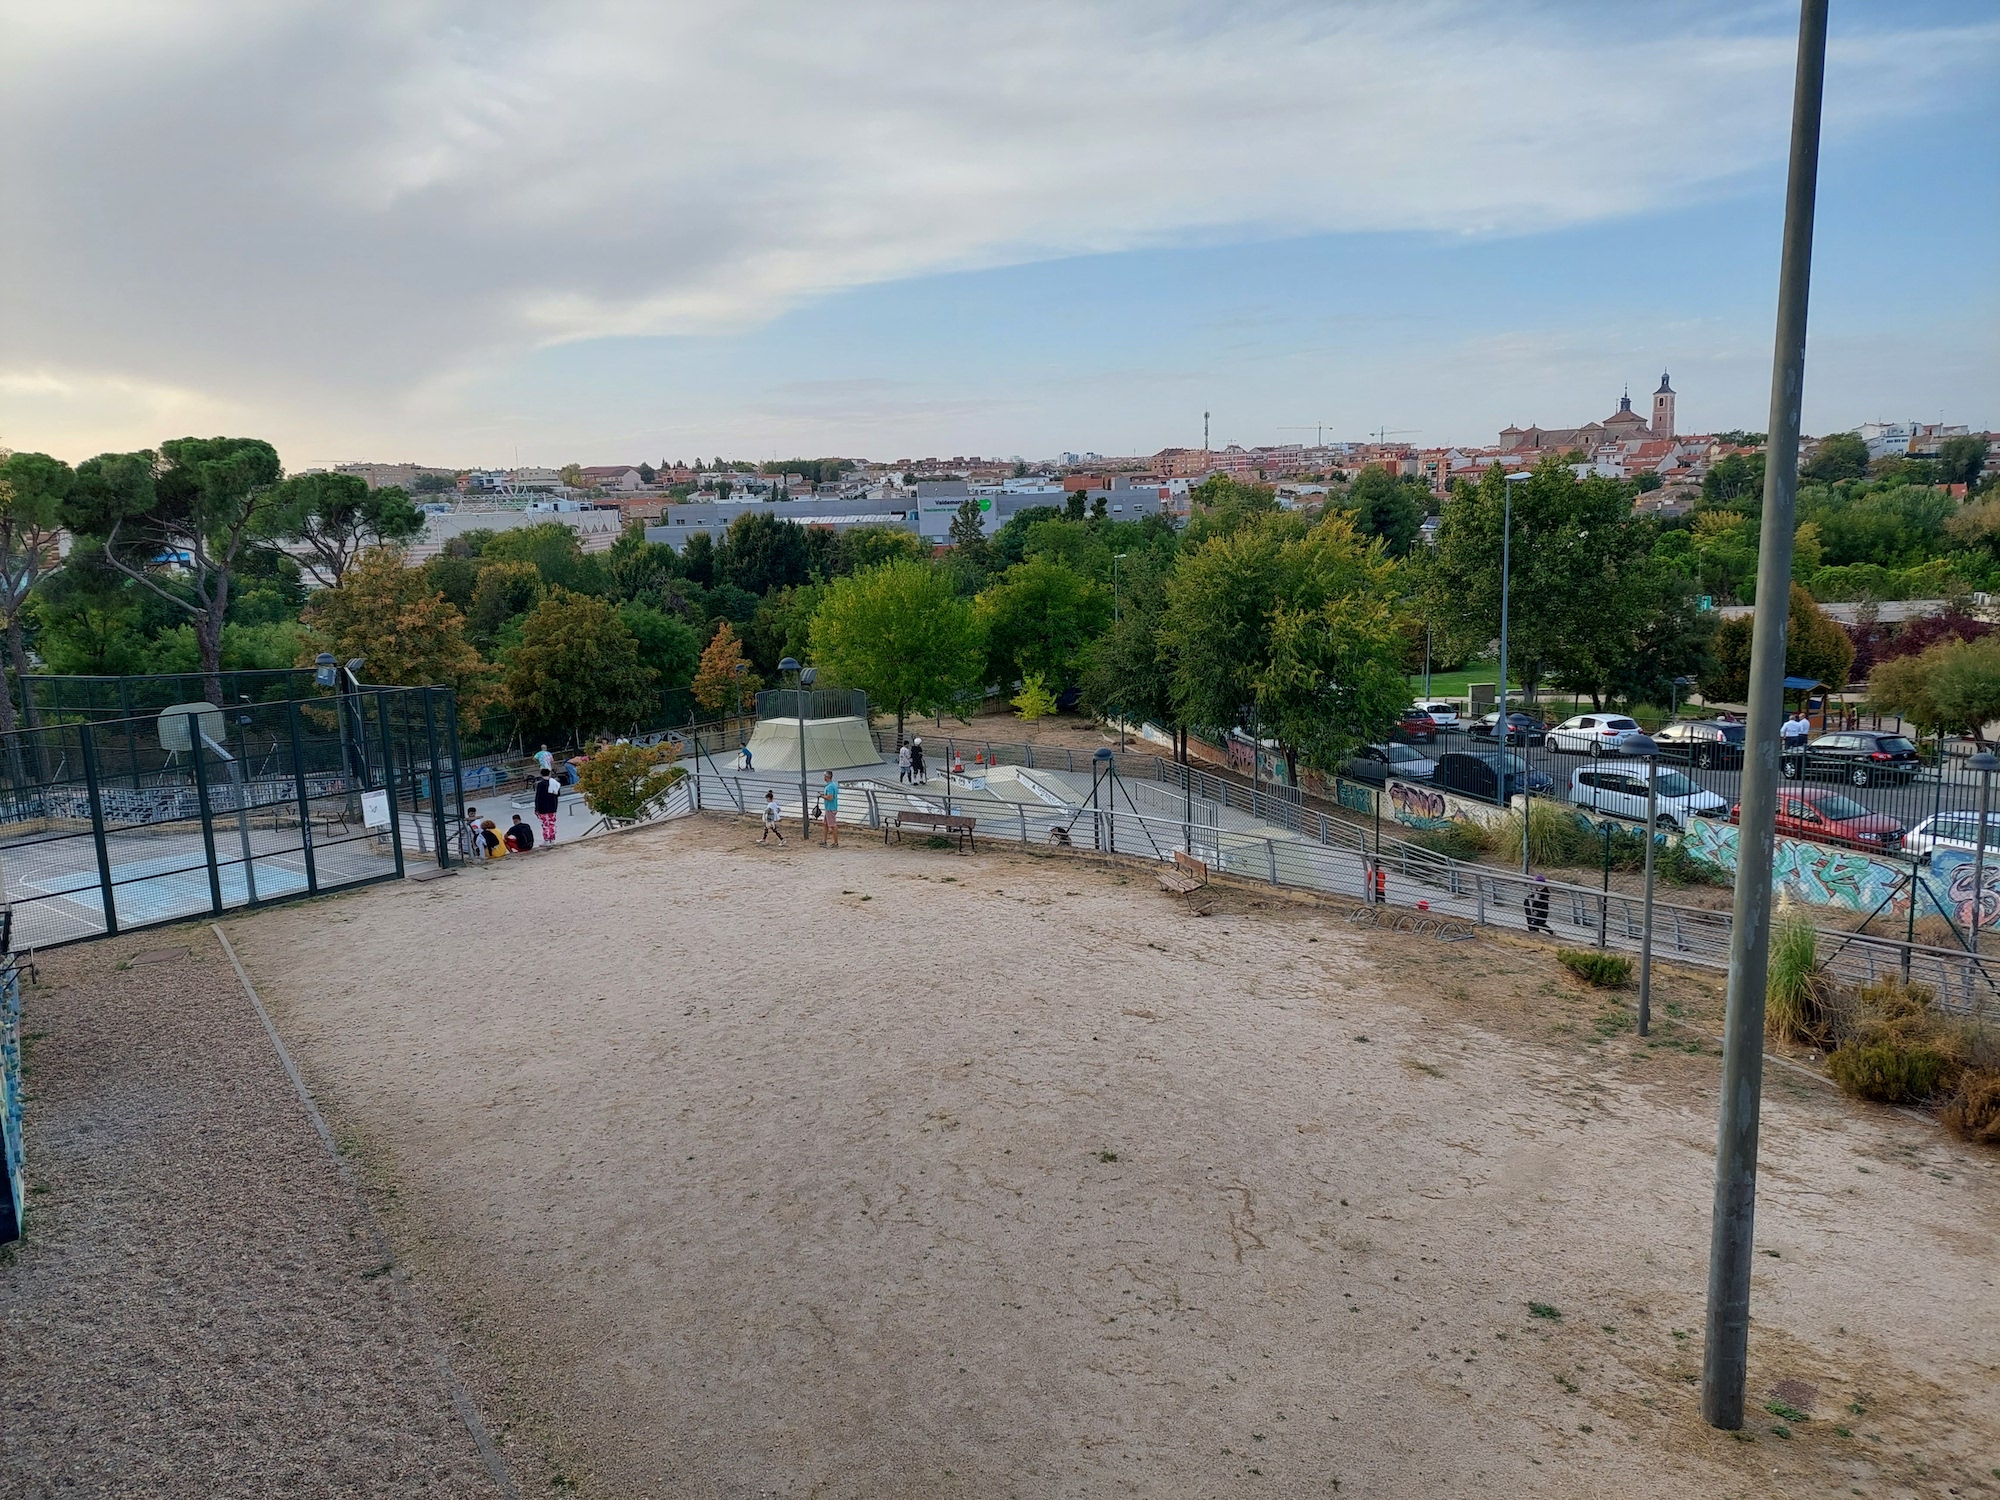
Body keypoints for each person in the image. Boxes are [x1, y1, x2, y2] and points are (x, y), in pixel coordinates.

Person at [534, 770, 562, 846]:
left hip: (543, 807)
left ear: (541, 774)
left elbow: (538, 797)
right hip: (552, 806)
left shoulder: (540, 785)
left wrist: (537, 808)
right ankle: (552, 839)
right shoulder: (554, 783)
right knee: (552, 823)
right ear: (549, 773)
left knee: (545, 824)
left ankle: (546, 840)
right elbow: (557, 794)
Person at [818, 770, 840, 848]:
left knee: (833, 825)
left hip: (830, 808)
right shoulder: (832, 785)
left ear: (827, 777)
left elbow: (830, 798)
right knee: (825, 824)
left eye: (824, 776)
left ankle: (835, 843)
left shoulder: (830, 786)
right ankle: (824, 841)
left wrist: (822, 796)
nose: (823, 777)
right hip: (829, 808)